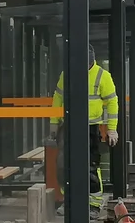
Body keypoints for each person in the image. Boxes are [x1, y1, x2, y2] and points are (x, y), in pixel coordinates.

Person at [50, 44, 119, 211]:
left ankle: (94, 204)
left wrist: (111, 129)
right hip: (68, 126)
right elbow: (58, 98)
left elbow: (112, 103)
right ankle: (69, 200)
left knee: (91, 165)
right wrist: (53, 123)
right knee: (63, 163)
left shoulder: (103, 76)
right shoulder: (67, 74)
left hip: (91, 127)